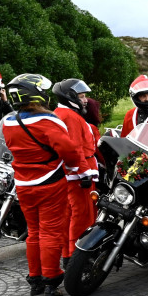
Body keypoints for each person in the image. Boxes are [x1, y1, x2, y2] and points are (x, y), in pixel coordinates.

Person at [2, 74, 86, 296]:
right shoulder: (47, 122)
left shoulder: (9, 122)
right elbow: (68, 150)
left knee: (34, 232)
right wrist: (77, 168)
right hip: (49, 182)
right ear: (35, 94)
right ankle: (51, 281)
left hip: (23, 183)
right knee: (51, 232)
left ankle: (35, 278)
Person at [51, 78, 98, 268]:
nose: (85, 100)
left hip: (71, 173)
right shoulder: (69, 117)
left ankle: (68, 253)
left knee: (69, 216)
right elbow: (75, 148)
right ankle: (76, 256)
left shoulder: (61, 113)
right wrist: (84, 173)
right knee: (82, 216)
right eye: (82, 96)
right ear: (70, 97)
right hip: (78, 175)